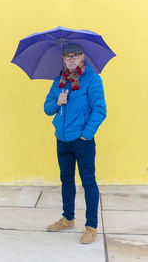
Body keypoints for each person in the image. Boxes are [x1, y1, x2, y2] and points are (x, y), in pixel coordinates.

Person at [43, 43, 107, 244]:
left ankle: (91, 226)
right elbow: (47, 108)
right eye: (67, 56)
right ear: (63, 58)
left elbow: (100, 110)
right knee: (66, 181)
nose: (71, 59)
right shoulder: (59, 80)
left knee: (88, 182)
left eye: (75, 55)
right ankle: (68, 218)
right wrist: (57, 102)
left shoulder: (92, 79)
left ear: (82, 57)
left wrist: (86, 135)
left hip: (82, 141)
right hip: (62, 140)